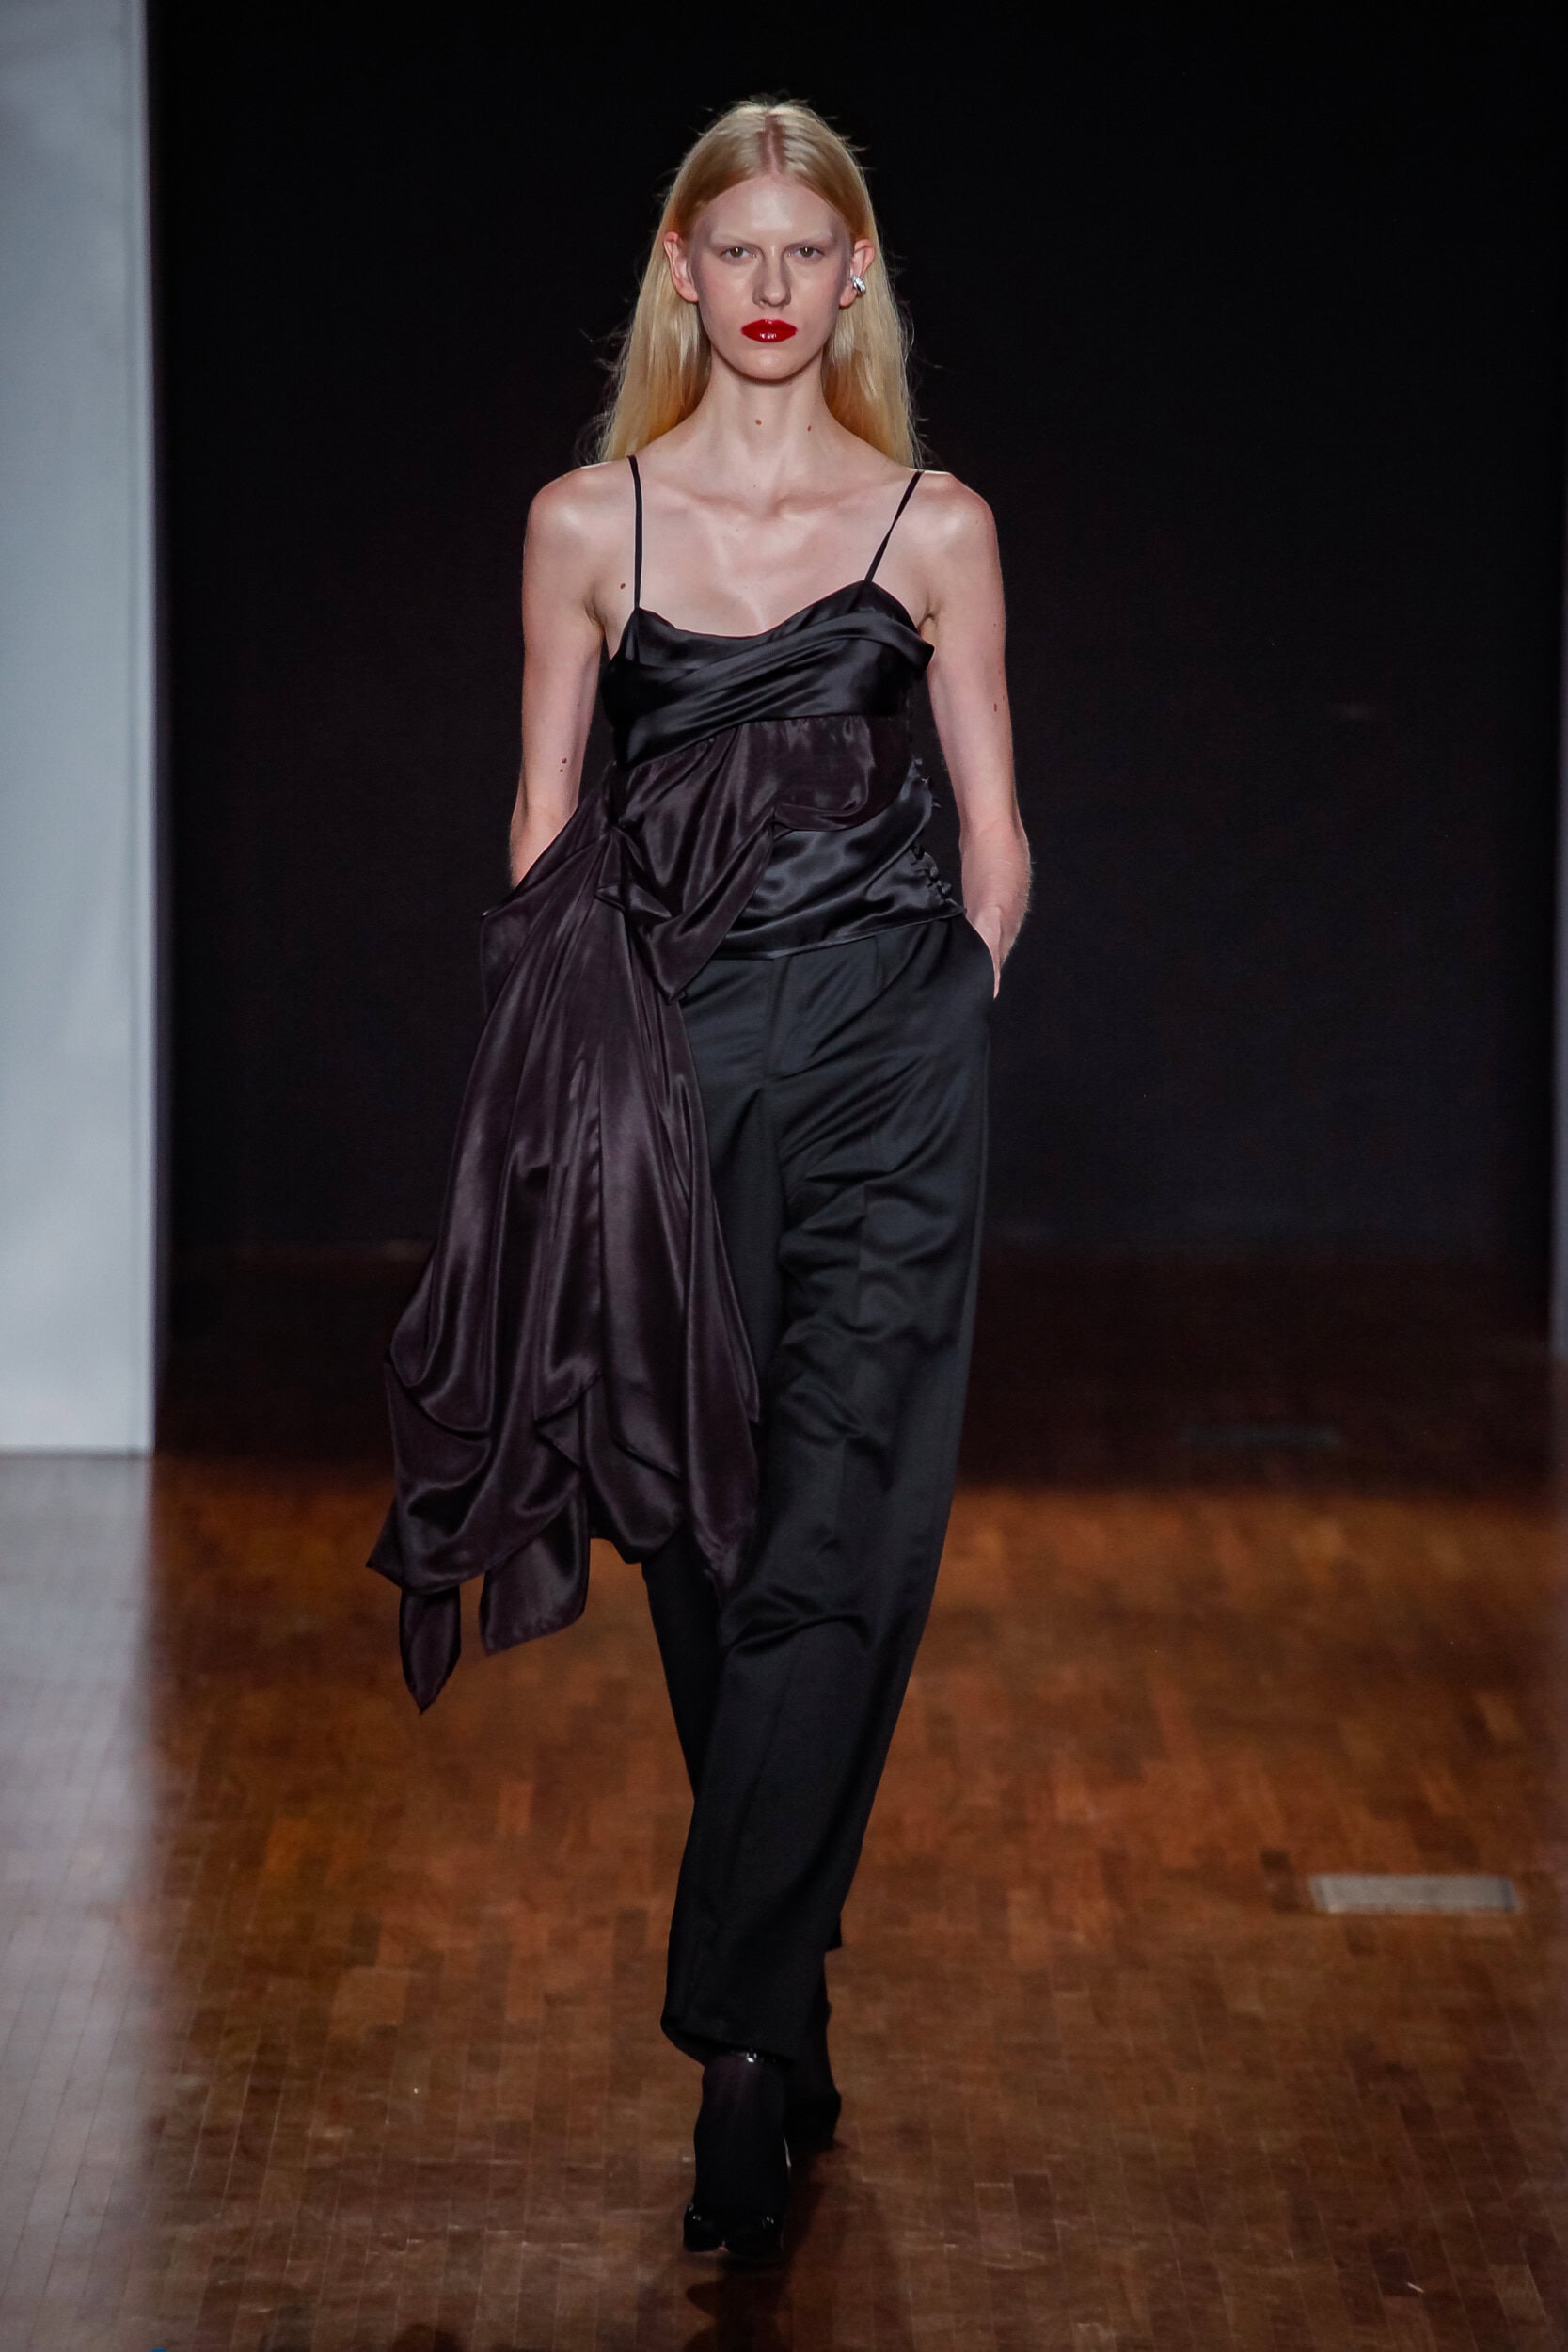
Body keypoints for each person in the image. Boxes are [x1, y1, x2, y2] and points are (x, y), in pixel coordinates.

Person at [370, 98, 1031, 2261]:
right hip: (663, 1067)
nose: (768, 285)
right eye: (733, 248)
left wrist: (947, 1007)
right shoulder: (590, 521)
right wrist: (552, 1087)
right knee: (706, 1525)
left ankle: (738, 2050)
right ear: (680, 270)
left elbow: (997, 836)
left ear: (856, 277)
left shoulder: (936, 526)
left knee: (850, 1516)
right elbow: (543, 818)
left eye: (803, 251)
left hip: (888, 1064)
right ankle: (792, 1995)